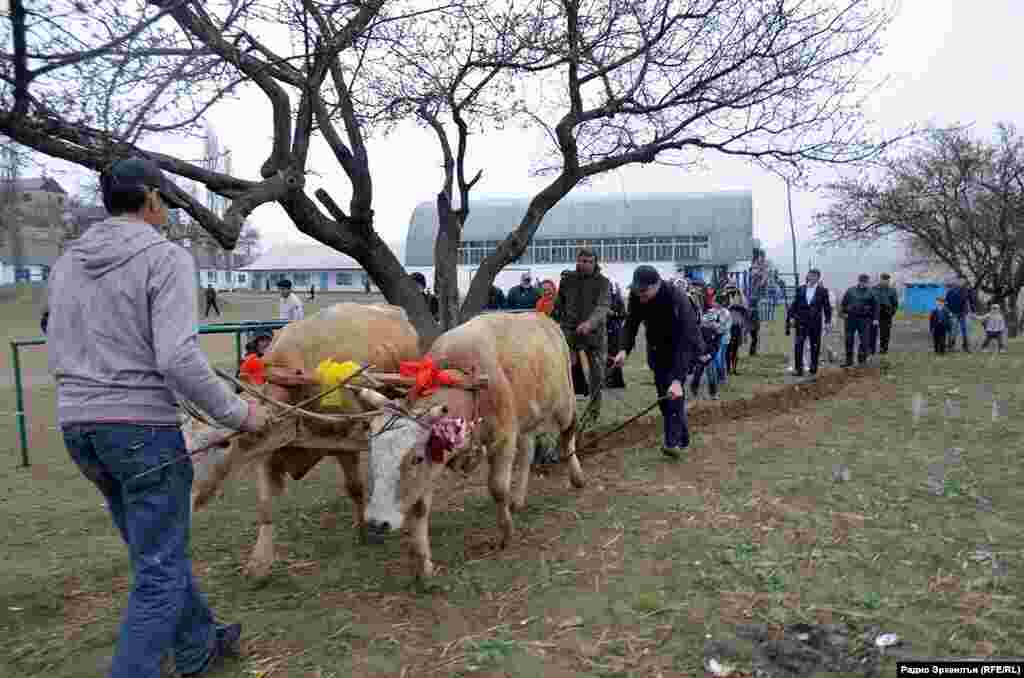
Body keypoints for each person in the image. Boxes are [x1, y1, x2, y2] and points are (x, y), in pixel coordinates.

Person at [46, 156, 271, 678]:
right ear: (150, 198)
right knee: (159, 571)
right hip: (139, 430)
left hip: (79, 429)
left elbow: (55, 335)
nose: (167, 208)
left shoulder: (66, 263)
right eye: (165, 198)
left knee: (157, 553)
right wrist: (238, 414)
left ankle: (198, 646)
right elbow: (176, 358)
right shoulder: (164, 257)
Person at [613, 266, 705, 458]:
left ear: (657, 285)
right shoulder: (638, 297)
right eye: (637, 291)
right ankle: (683, 437)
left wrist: (679, 379)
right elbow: (630, 324)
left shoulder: (676, 298)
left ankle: (672, 444)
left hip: (682, 349)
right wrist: (623, 350)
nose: (640, 296)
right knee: (665, 399)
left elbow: (687, 338)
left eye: (644, 291)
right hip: (657, 352)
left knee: (674, 396)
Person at [554, 248, 611, 422]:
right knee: (563, 373)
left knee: (596, 376)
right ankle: (565, 411)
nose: (584, 264)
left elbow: (603, 307)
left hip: (594, 336)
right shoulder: (567, 280)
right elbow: (559, 306)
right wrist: (556, 325)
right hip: (569, 334)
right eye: (581, 260)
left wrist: (590, 323)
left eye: (588, 261)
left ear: (595, 263)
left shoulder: (603, 282)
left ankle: (593, 413)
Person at [785, 268, 833, 376]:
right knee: (799, 344)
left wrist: (828, 321)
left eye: (815, 276)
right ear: (808, 276)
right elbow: (794, 305)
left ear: (818, 278)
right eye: (811, 275)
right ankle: (798, 369)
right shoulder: (801, 289)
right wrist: (790, 317)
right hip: (801, 321)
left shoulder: (822, 291)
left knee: (815, 345)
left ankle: (813, 367)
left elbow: (827, 307)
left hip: (815, 322)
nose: (812, 277)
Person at [839, 274, 879, 368]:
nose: (864, 283)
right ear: (859, 281)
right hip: (850, 319)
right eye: (862, 281)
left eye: (866, 282)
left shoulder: (871, 292)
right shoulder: (850, 290)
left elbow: (876, 307)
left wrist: (875, 319)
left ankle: (862, 360)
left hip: (865, 319)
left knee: (864, 340)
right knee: (849, 340)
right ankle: (849, 361)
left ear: (867, 282)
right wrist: (842, 313)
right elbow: (844, 303)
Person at [605, 281, 627, 389]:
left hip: (615, 332)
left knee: (614, 355)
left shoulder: (617, 299)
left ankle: (617, 381)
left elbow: (623, 314)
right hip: (602, 331)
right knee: (604, 356)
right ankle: (606, 380)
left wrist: (613, 314)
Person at [944, 275, 975, 352]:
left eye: (963, 280)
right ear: (956, 281)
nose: (961, 282)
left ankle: (966, 347)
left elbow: (972, 301)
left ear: (965, 281)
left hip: (964, 313)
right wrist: (949, 312)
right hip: (953, 313)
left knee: (966, 330)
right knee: (953, 330)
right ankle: (951, 347)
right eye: (959, 280)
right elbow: (946, 303)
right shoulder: (950, 291)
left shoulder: (968, 290)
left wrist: (973, 312)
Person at [871, 273, 899, 354]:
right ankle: (871, 349)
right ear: (880, 279)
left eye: (887, 280)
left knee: (885, 333)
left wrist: (891, 313)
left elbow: (895, 304)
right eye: (883, 279)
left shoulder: (892, 290)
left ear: (888, 280)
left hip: (886, 314)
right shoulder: (874, 289)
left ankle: (883, 349)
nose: (885, 281)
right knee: (873, 332)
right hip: (875, 314)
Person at [724, 287, 749, 375]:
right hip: (727, 326)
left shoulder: (740, 297)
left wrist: (740, 294)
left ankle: (734, 369)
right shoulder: (725, 297)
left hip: (737, 326)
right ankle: (727, 369)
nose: (731, 291)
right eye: (730, 289)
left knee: (735, 349)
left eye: (733, 289)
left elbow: (745, 308)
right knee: (727, 349)